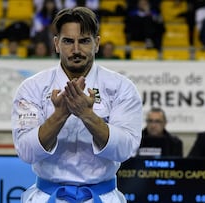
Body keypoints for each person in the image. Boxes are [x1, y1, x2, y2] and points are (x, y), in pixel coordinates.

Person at [11, 7, 143, 203]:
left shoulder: (121, 88)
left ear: (96, 43)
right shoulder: (33, 88)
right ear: (56, 44)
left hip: (102, 196)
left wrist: (86, 114)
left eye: (84, 41)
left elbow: (125, 150)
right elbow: (26, 151)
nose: (76, 50)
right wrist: (60, 115)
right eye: (68, 41)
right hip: (48, 196)